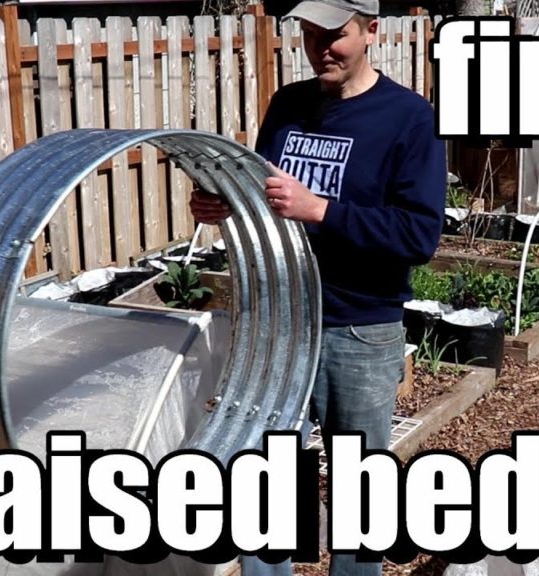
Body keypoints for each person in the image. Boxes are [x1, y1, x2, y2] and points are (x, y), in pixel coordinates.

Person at [188, 0, 447, 573]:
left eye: (337, 35)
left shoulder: (408, 118)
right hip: (279, 323)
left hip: (358, 327)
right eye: (310, 35)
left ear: (371, 31)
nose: (321, 49)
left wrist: (321, 210)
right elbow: (260, 195)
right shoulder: (289, 104)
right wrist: (221, 203)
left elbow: (419, 235)